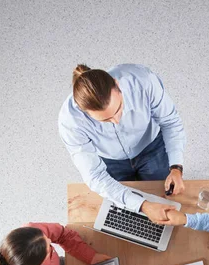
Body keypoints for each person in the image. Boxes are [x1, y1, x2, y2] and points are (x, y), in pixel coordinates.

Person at [58, 63, 186, 223]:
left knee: (163, 193)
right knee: (126, 209)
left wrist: (176, 167)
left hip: (151, 147)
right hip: (111, 161)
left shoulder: (144, 82)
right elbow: (95, 176)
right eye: (105, 120)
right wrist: (144, 206)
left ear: (117, 85)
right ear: (84, 112)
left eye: (119, 109)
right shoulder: (70, 122)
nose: (116, 121)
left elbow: (170, 122)